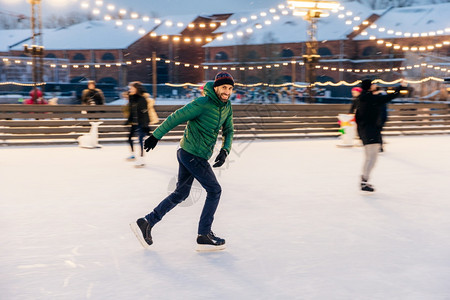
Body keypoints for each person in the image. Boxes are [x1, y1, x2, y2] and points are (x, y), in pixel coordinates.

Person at [131, 72, 235, 251]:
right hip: (192, 154)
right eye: (224, 87)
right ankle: (204, 234)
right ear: (216, 87)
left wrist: (225, 150)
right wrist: (156, 136)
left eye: (230, 88)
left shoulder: (227, 106)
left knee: (181, 194)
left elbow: (229, 129)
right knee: (214, 190)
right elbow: (176, 117)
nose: (227, 91)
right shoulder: (202, 104)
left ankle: (148, 221)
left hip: (191, 154)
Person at [355, 79, 407, 192]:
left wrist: (360, 132)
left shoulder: (362, 98)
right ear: (369, 87)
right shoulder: (371, 99)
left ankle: (364, 180)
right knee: (372, 158)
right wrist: (400, 87)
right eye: (373, 84)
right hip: (371, 131)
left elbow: (357, 117)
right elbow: (388, 97)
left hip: (365, 130)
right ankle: (364, 181)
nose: (375, 85)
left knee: (370, 157)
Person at [124, 81, 152, 167]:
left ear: (137, 89)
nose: (130, 90)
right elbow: (132, 112)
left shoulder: (142, 99)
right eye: (130, 88)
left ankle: (141, 159)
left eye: (132, 88)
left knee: (140, 141)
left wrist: (145, 125)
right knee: (129, 138)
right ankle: (133, 155)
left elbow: (145, 113)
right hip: (134, 123)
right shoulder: (132, 98)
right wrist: (128, 121)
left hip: (141, 123)